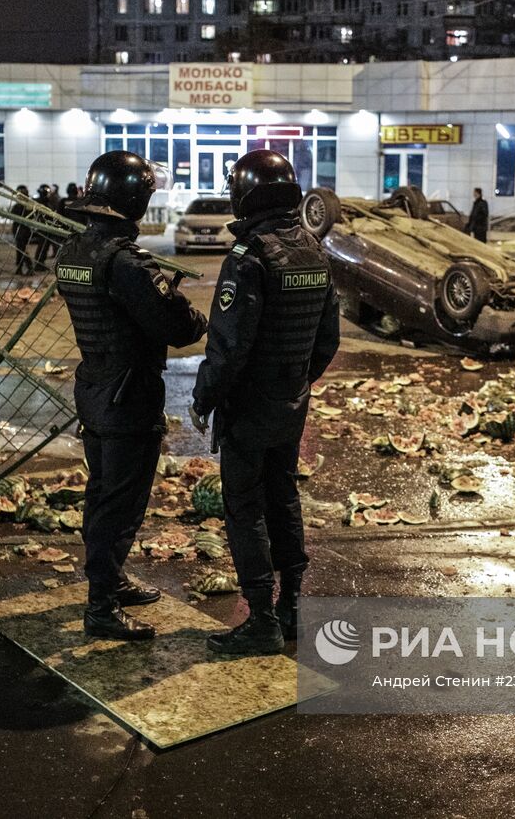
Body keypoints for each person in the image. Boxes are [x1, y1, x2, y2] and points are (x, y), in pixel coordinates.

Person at [190, 150, 341, 656]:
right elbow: (328, 340)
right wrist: (295, 381)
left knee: (245, 507)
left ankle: (260, 618)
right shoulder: (314, 252)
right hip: (291, 403)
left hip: (250, 408)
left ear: (246, 195)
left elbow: (228, 348)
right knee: (284, 497)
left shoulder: (248, 258)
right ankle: (292, 605)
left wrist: (203, 398)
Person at [55, 151, 208, 640]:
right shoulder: (126, 262)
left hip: (95, 386)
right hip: (129, 394)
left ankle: (112, 580)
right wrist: (180, 304)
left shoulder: (74, 252)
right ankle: (100, 606)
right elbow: (178, 328)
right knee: (120, 504)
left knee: (102, 492)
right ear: (135, 199)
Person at [12, 184, 35, 275]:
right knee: (20, 249)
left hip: (21, 230)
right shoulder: (28, 205)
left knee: (22, 249)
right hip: (22, 229)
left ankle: (29, 267)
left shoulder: (22, 206)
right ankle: (20, 268)